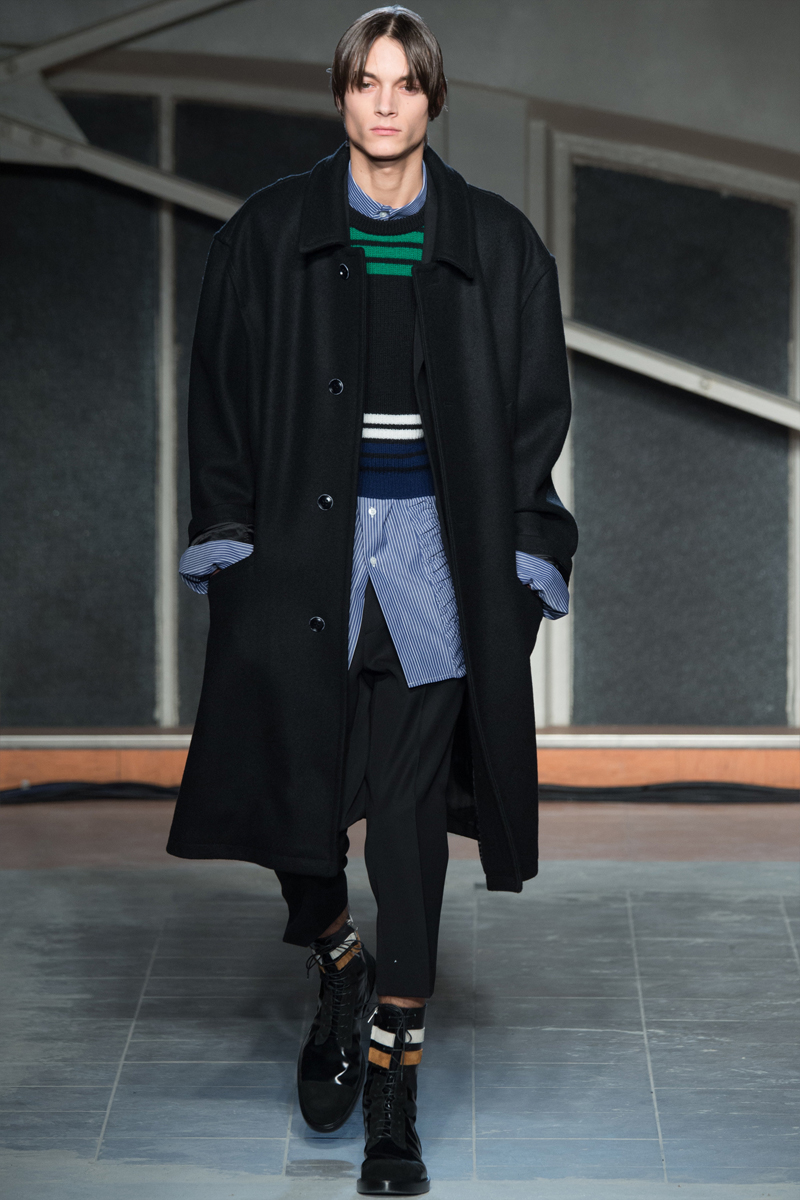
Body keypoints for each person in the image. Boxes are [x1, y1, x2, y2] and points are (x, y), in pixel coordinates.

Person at [168, 6, 578, 1194]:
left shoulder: (495, 244)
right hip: (302, 554)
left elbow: (534, 413)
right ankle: (337, 960)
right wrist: (228, 536)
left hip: (436, 560)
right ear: (340, 96)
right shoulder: (267, 234)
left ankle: (392, 1079)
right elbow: (218, 394)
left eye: (404, 82)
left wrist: (524, 550)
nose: (385, 102)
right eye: (365, 82)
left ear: (432, 98)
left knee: (403, 826)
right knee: (295, 803)